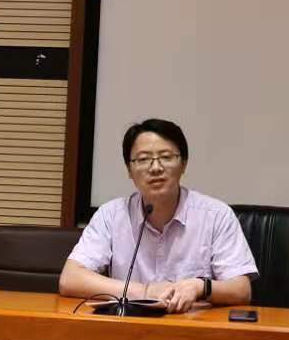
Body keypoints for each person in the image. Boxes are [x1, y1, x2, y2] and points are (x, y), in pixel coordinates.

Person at [59, 118, 257, 312]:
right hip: (129, 327)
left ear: (183, 164)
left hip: (195, 327)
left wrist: (200, 287)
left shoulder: (216, 216)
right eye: (143, 159)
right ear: (129, 170)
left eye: (166, 157)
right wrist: (145, 291)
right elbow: (70, 279)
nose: (155, 168)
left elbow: (242, 290)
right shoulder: (111, 216)